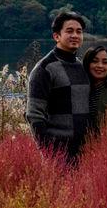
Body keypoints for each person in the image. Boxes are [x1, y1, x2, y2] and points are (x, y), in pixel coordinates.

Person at [26, 11, 91, 163]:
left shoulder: (82, 67)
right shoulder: (44, 69)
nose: (75, 35)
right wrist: (49, 151)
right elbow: (34, 115)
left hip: (86, 150)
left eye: (79, 31)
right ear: (56, 36)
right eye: (69, 31)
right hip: (59, 152)